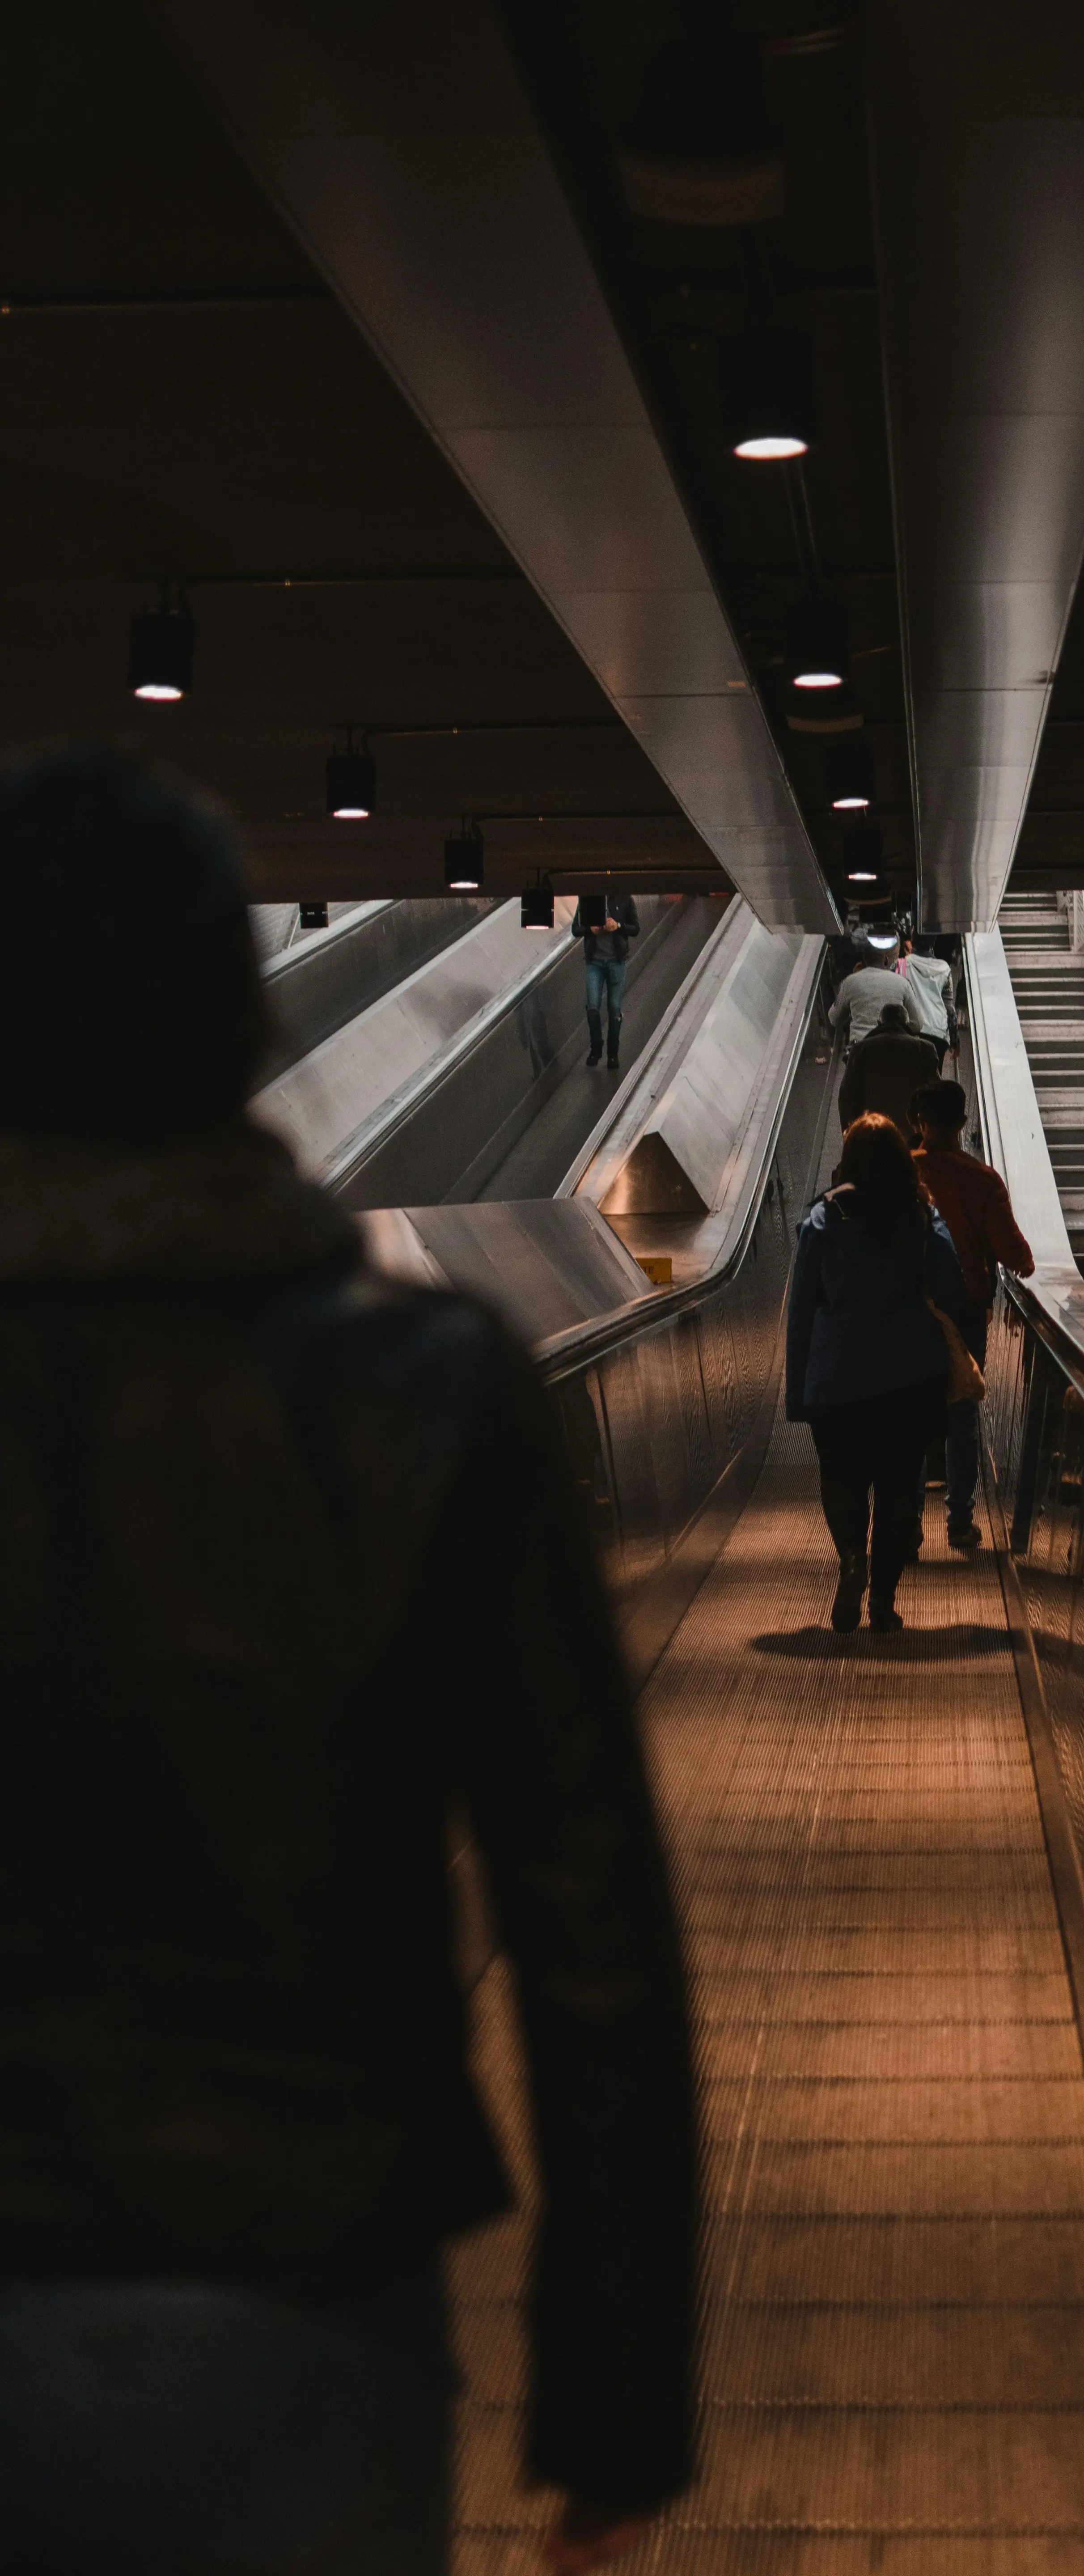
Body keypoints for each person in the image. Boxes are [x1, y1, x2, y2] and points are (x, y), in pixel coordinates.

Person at [0, 750, 695, 2576]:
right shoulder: (414, 1385)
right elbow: (590, 1918)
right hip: (301, 2277)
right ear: (230, 1024)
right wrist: (618, 2402)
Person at [785, 1114, 967, 1634]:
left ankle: (850, 1559)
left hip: (838, 1375)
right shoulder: (919, 1214)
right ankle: (884, 1602)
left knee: (842, 1478)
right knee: (897, 1490)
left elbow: (801, 1312)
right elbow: (952, 1286)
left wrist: (800, 1391)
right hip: (907, 1374)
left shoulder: (823, 1218)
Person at [911, 1079, 1036, 1550]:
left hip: (912, 1307)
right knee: (962, 1414)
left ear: (920, 1123)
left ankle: (907, 1526)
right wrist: (1021, 1263)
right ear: (964, 1124)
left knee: (912, 1413)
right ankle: (960, 1522)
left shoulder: (904, 1174)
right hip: (965, 1310)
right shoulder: (982, 1180)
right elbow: (1015, 1254)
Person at [836, 1000, 940, 1140]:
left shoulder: (860, 1049)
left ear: (880, 1023)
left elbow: (847, 1097)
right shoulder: (925, 1048)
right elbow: (937, 1093)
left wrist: (849, 1134)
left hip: (873, 1131)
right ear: (907, 1023)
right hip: (913, 1134)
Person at [570, 888, 641, 1068]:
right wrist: (590, 930)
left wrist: (618, 926)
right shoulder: (587, 898)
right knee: (593, 1006)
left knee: (614, 1007)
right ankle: (596, 1047)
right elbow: (576, 929)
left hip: (616, 961)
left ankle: (613, 1054)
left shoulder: (625, 898)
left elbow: (635, 928)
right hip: (594, 962)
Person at [829, 949, 906, 1053]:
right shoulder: (902, 982)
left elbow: (834, 1019)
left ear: (863, 961)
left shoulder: (850, 982)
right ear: (886, 960)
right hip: (894, 1048)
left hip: (860, 1049)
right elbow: (918, 1023)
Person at [892, 936, 953, 1063]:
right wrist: (955, 1039)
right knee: (934, 1079)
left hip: (909, 1031)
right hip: (937, 1033)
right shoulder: (945, 969)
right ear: (933, 944)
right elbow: (949, 1007)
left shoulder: (900, 965)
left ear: (913, 943)